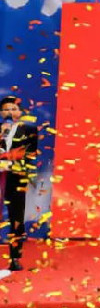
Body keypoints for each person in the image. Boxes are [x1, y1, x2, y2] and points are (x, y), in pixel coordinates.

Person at [1, 96, 38, 272]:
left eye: (13, 109)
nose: (9, 112)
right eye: (5, 109)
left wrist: (11, 164)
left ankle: (15, 257)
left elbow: (30, 155)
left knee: (16, 217)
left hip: (16, 178)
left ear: (20, 112)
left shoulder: (29, 129)